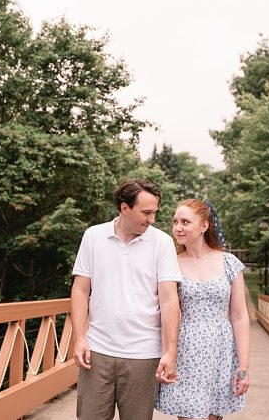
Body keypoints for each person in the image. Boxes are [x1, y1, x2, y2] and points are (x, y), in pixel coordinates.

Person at [71, 178, 182, 420]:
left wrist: (170, 351)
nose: (151, 219)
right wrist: (79, 338)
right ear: (124, 208)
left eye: (154, 212)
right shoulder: (93, 236)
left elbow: (169, 300)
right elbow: (80, 290)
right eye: (146, 212)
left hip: (143, 355)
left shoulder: (162, 243)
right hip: (97, 352)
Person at [156, 199, 250, 419]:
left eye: (185, 222)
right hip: (186, 348)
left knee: (213, 416)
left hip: (221, 348)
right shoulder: (171, 263)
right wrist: (166, 354)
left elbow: (239, 317)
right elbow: (165, 311)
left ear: (204, 226)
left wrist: (243, 366)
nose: (178, 227)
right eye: (175, 221)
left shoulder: (229, 263)